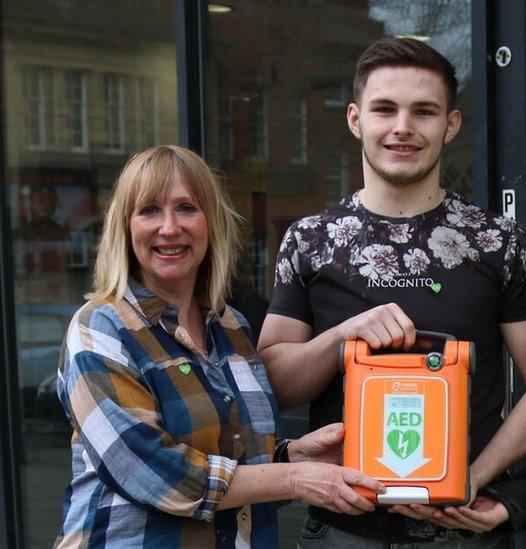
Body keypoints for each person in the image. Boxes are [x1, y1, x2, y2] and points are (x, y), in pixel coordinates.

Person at [258, 38, 526, 546]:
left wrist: (476, 478)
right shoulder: (310, 239)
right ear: (355, 119)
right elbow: (275, 382)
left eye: (424, 111)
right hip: (340, 529)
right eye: (385, 109)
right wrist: (342, 339)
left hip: (462, 532)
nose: (403, 127)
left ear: (451, 124)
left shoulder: (498, 242)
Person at [54, 145, 383, 548]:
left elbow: (237, 469)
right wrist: (296, 478)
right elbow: (152, 473)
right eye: (150, 211)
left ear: (211, 223)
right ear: (125, 227)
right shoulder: (100, 328)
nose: (170, 227)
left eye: (187, 208)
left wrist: (295, 457)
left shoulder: (232, 327)